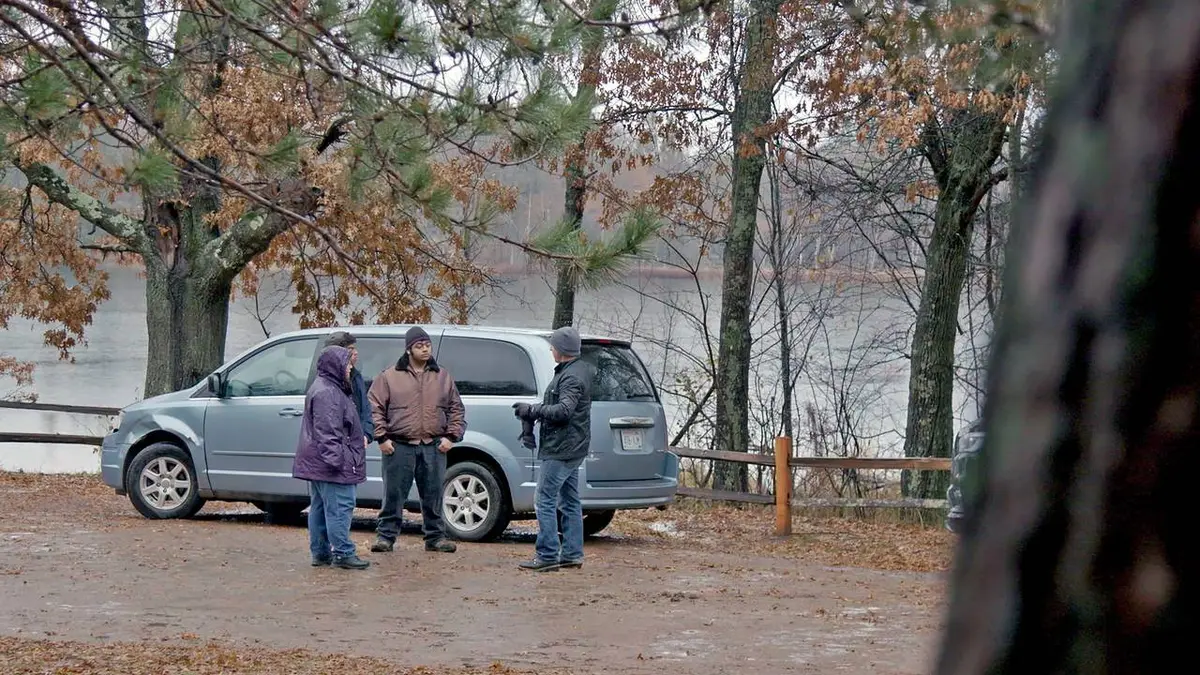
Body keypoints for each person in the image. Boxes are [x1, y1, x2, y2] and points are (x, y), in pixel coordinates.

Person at [367, 326, 465, 553]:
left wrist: (451, 436)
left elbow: (456, 408)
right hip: (398, 446)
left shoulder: (443, 376)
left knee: (434, 495)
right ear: (409, 349)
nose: (425, 349)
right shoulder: (389, 376)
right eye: (419, 346)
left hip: (434, 445)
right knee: (393, 495)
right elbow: (374, 408)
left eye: (427, 345)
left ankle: (436, 537)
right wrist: (381, 437)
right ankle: (386, 537)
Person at [513, 325, 594, 571]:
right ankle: (572, 553)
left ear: (562, 350)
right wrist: (533, 413)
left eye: (553, 347)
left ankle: (547, 555)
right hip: (572, 446)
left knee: (544, 499)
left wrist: (533, 410)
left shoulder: (571, 377)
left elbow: (564, 411)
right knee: (569, 500)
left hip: (561, 449)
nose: (551, 350)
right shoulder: (576, 370)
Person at [291, 345, 370, 570]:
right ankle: (343, 553)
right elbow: (328, 431)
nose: (350, 368)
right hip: (331, 464)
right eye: (347, 364)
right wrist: (338, 462)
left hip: (320, 463)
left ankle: (321, 552)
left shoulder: (325, 387)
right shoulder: (329, 392)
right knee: (339, 507)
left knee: (320, 508)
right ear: (336, 366)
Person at [324, 331, 373, 449]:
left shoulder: (356, 377)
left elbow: (365, 408)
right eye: (350, 349)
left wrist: (366, 434)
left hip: (356, 444)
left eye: (355, 348)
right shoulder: (327, 384)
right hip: (340, 447)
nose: (356, 352)